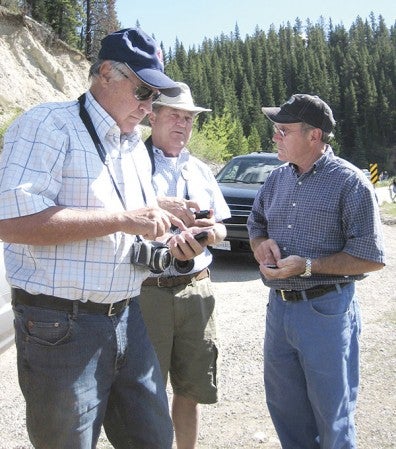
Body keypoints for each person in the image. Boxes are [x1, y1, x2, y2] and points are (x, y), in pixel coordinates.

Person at [0, 28, 207, 449]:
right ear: (107, 73)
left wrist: (172, 237)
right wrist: (123, 218)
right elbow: (11, 221)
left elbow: (124, 231)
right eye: (144, 91)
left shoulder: (131, 144)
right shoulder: (47, 124)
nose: (150, 108)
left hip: (129, 317)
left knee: (153, 439)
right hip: (60, 327)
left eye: (155, 98)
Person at [247, 94, 385, 449]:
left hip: (325, 312)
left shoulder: (351, 183)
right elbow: (256, 222)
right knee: (285, 410)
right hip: (278, 310)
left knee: (332, 418)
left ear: (314, 136)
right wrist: (260, 244)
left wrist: (309, 266)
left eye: (283, 130)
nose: (274, 136)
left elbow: (371, 258)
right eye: (275, 130)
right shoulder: (276, 178)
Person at [139, 82, 230, 449]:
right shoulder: (130, 163)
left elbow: (223, 227)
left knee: (191, 389)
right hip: (148, 294)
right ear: (153, 116)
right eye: (174, 115)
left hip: (197, 289)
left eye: (189, 118)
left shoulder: (201, 169)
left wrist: (211, 234)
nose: (182, 124)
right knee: (144, 392)